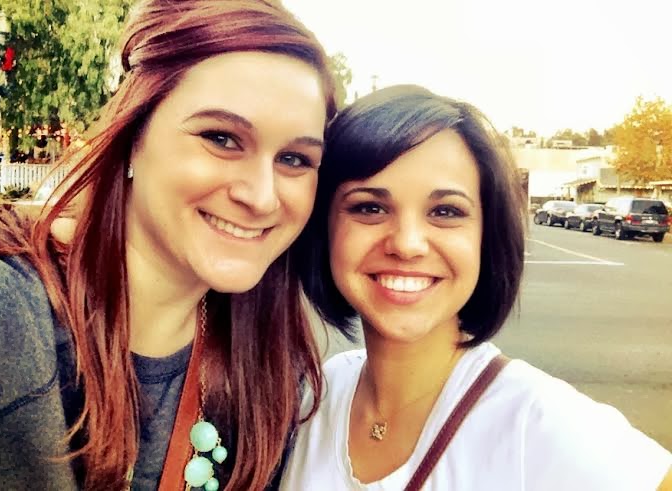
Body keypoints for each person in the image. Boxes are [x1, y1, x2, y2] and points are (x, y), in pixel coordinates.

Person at [0, 1, 336, 489]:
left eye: (294, 159)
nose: (261, 196)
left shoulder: (272, 368)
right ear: (133, 135)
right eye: (221, 138)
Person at [283, 85, 672, 490]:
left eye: (445, 211)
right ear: (325, 228)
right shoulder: (317, 395)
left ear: (486, 235)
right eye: (370, 207)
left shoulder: (537, 425)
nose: (407, 243)